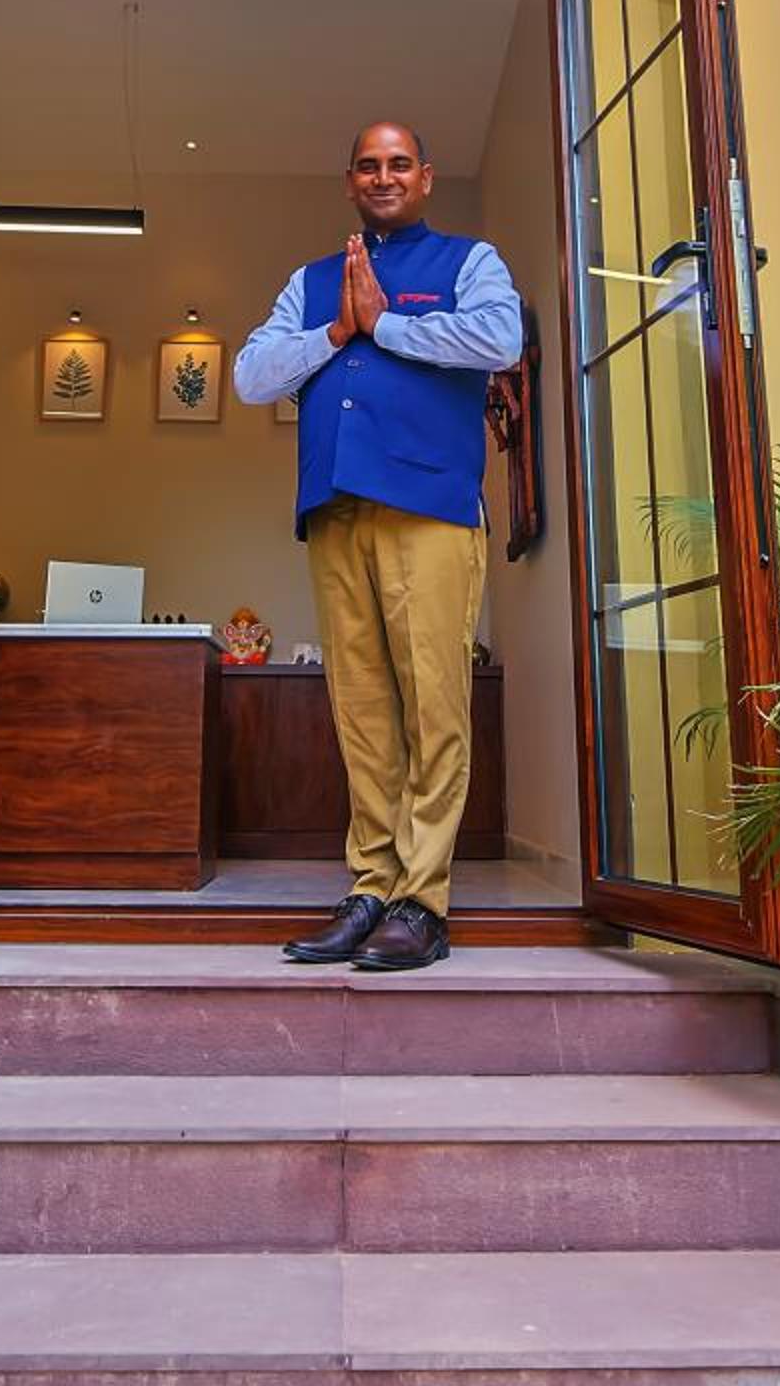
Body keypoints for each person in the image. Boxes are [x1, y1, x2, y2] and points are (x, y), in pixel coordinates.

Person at [233, 121, 524, 971]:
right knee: (361, 712)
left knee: (433, 706)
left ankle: (421, 903)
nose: (383, 176)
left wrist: (384, 325)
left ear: (425, 177)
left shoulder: (470, 262)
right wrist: (334, 332)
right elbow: (251, 376)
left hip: (429, 508)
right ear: (351, 180)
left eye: (399, 164)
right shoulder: (310, 282)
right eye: (368, 165)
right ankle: (371, 888)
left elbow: (499, 341)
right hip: (335, 509)